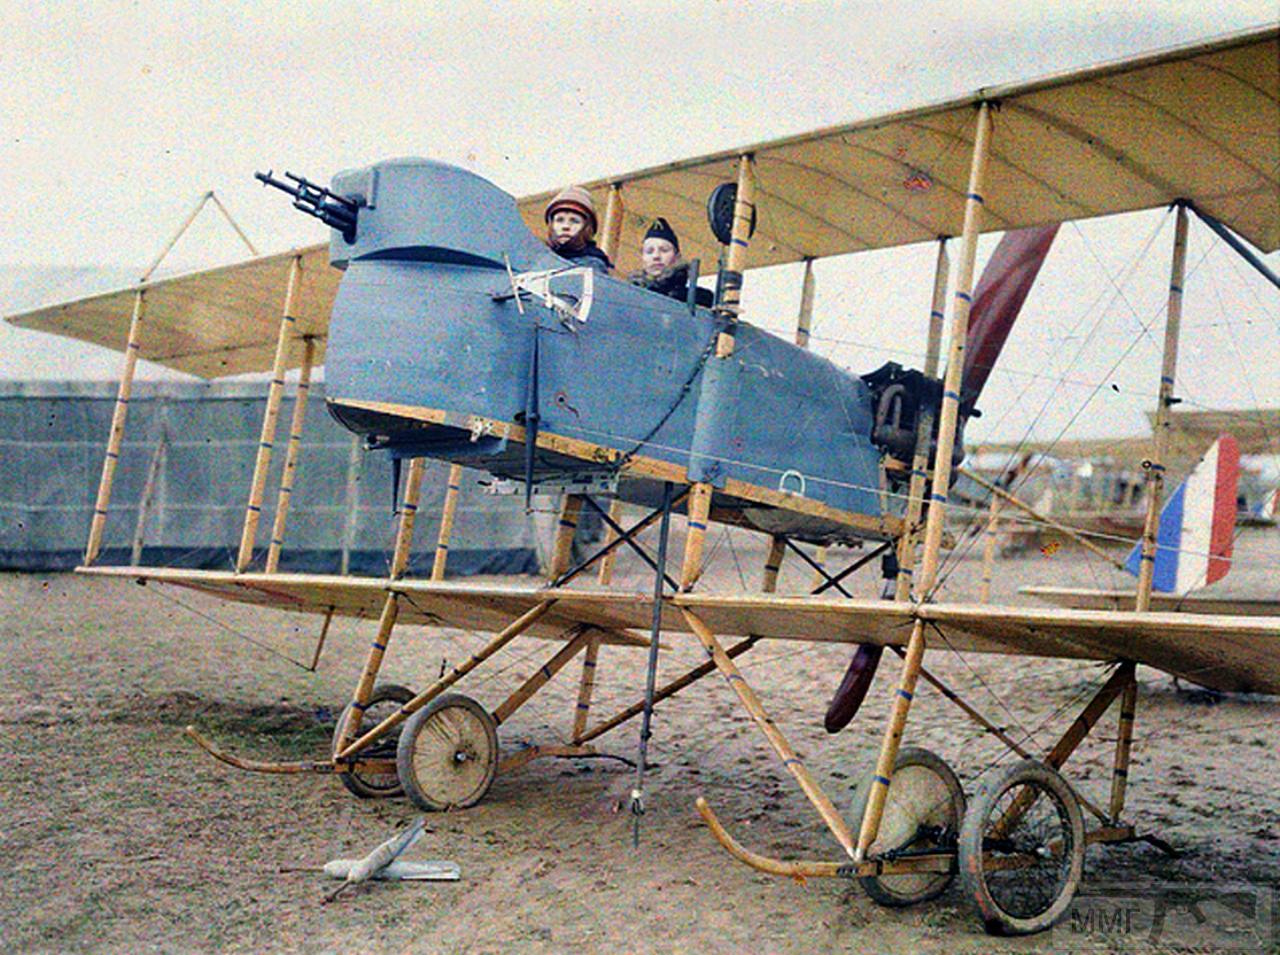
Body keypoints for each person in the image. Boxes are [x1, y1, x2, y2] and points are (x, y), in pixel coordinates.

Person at [628, 217, 714, 307]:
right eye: (649, 251)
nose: (656, 256)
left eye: (664, 250)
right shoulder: (630, 296)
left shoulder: (698, 298)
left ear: (677, 257)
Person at [544, 186, 612, 273]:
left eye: (575, 221)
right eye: (559, 220)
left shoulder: (592, 265)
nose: (565, 226)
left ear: (587, 228)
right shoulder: (539, 260)